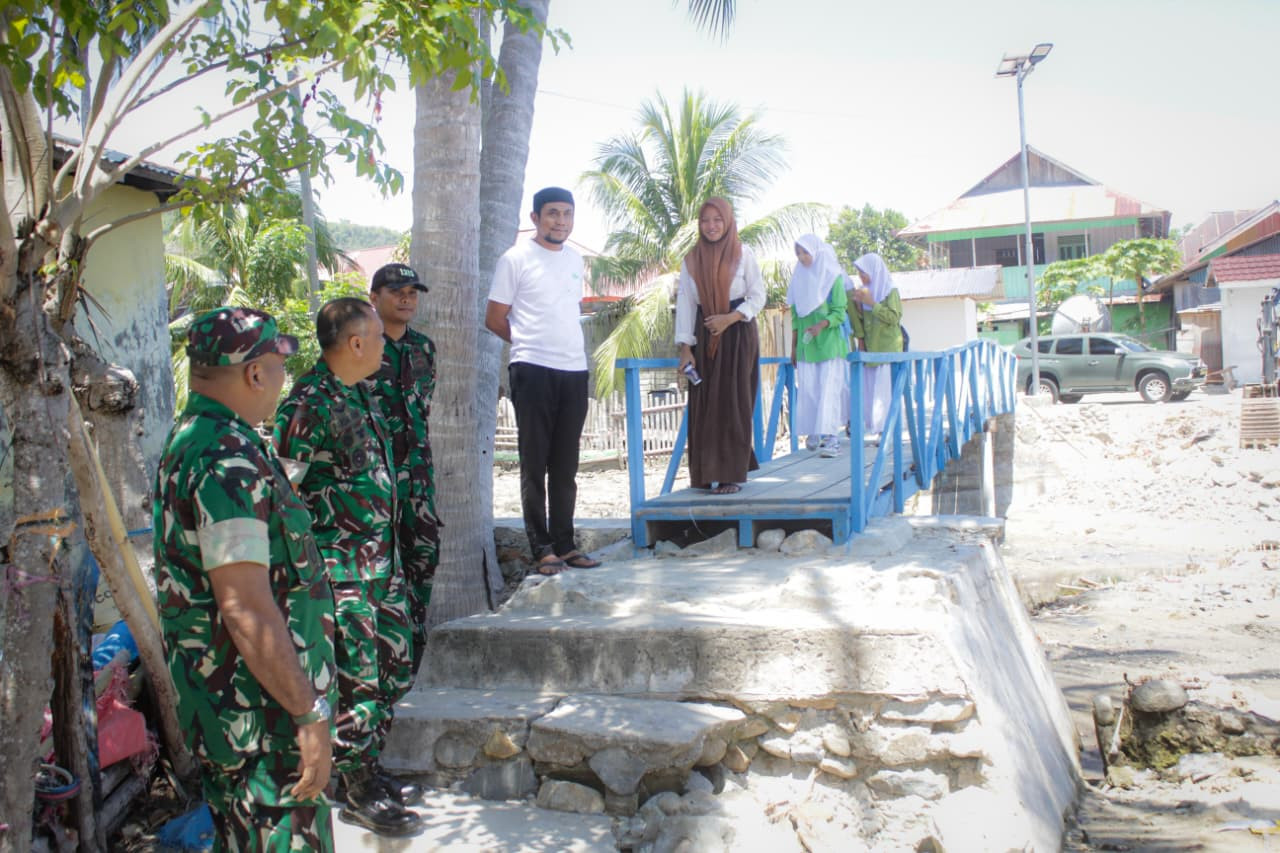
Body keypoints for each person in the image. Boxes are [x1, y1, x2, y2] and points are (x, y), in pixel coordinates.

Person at [153, 307, 336, 851]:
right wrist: (307, 714)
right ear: (256, 372)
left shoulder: (197, 437)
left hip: (234, 713)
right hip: (263, 723)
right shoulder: (224, 458)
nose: (284, 380)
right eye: (280, 366)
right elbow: (245, 607)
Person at [274, 298, 423, 837]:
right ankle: (355, 787)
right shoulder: (308, 405)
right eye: (379, 336)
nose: (387, 344)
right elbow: (283, 493)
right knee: (356, 681)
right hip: (342, 574)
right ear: (356, 343)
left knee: (392, 671)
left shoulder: (361, 393)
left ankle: (368, 768)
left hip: (381, 566)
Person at [485, 186, 602, 575]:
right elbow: (495, 317)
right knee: (534, 463)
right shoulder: (514, 259)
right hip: (532, 369)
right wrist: (528, 346)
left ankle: (566, 544)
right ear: (535, 218)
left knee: (566, 465)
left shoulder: (574, 258)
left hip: (574, 370)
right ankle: (542, 548)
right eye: (553, 213)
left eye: (567, 214)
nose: (561, 221)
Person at [364, 262, 439, 678]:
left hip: (418, 476)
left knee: (423, 558)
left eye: (413, 291)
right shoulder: (360, 347)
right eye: (397, 291)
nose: (407, 298)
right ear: (374, 298)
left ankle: (416, 651)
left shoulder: (424, 348)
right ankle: (381, 660)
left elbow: (422, 409)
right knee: (379, 566)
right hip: (374, 478)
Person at [675, 197, 766, 494]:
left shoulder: (743, 254)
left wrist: (730, 318)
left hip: (737, 333)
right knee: (703, 403)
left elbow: (757, 296)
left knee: (733, 402)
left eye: (717, 220)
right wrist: (685, 347)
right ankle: (704, 474)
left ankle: (730, 475)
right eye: (705, 220)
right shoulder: (691, 260)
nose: (711, 226)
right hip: (705, 335)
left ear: (728, 222)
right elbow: (687, 304)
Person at [788, 234, 851, 457]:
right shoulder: (798, 279)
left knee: (829, 390)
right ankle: (815, 431)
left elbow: (840, 311)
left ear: (816, 252)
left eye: (805, 252)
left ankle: (832, 438)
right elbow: (795, 316)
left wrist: (822, 325)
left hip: (830, 343)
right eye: (798, 253)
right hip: (807, 346)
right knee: (809, 390)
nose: (802, 257)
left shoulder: (832, 277)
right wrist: (794, 347)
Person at [848, 252, 904, 440]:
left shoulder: (890, 291)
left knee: (884, 392)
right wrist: (859, 308)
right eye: (859, 273)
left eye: (864, 272)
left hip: (888, 348)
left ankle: (886, 432)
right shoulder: (864, 291)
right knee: (871, 393)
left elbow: (894, 317)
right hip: (871, 349)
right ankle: (876, 429)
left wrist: (873, 304)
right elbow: (864, 322)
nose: (861, 277)